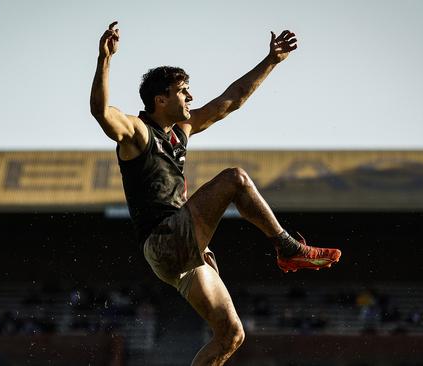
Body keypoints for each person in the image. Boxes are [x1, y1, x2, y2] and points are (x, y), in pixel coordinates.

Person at [90, 21, 341, 366]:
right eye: (183, 91)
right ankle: (289, 249)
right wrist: (104, 60)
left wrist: (271, 61)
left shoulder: (182, 131)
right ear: (160, 100)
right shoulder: (138, 132)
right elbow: (101, 113)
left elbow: (230, 101)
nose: (191, 97)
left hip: (180, 255)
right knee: (234, 179)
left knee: (231, 335)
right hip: (165, 238)